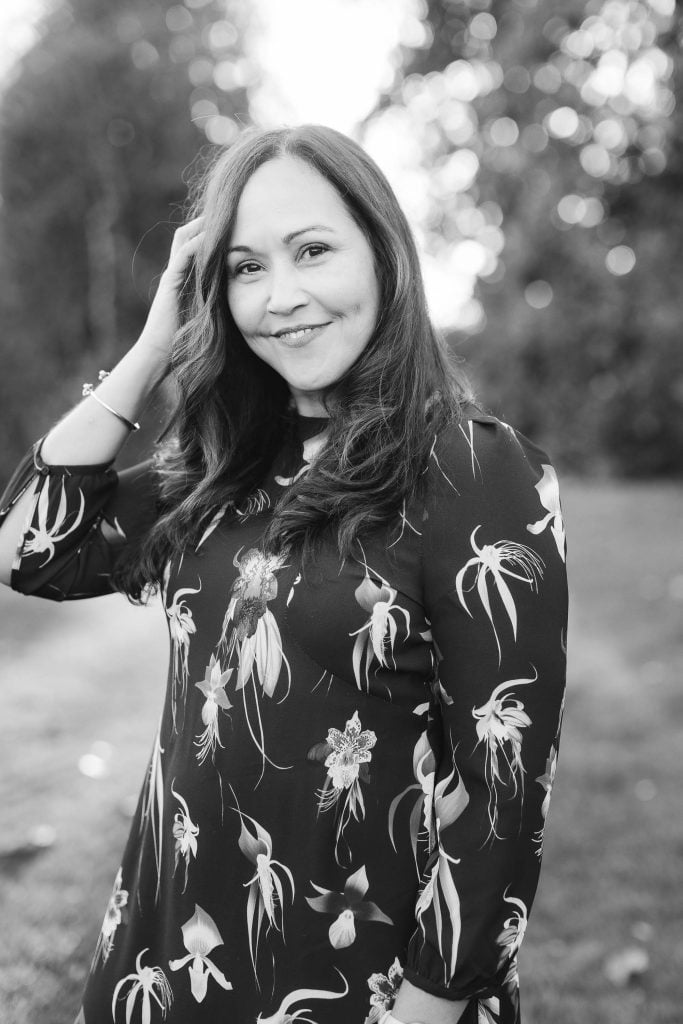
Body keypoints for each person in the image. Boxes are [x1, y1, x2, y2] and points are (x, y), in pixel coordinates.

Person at [0, 124, 568, 1024]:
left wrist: (428, 1005)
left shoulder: (470, 470)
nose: (283, 297)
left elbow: (501, 791)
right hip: (168, 955)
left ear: (382, 255)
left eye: (312, 251)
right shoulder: (218, 471)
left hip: (359, 981)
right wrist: (152, 348)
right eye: (245, 267)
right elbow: (28, 549)